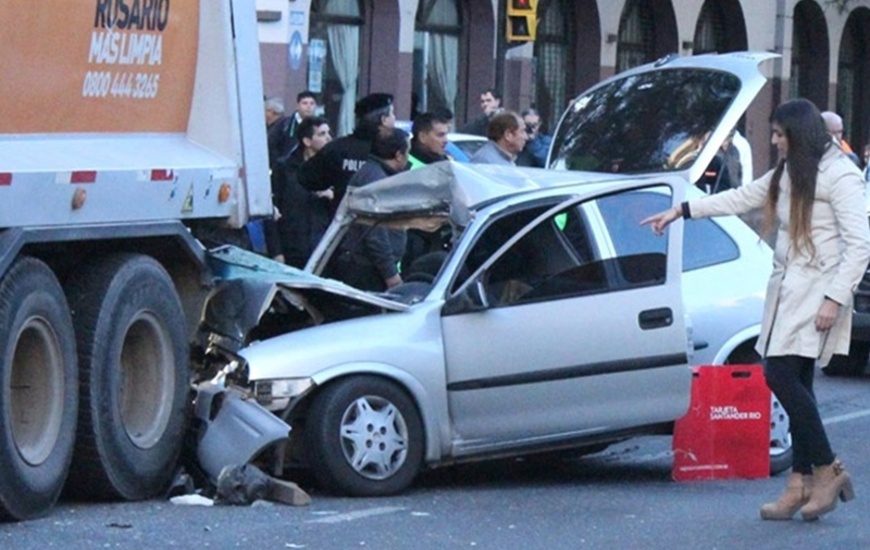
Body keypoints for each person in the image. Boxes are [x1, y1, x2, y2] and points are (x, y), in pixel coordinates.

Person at [642, 99, 870, 522]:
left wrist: (834, 299)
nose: (775, 141)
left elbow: (860, 246)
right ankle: (800, 483)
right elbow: (743, 197)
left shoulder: (841, 175)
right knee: (799, 381)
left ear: (798, 134)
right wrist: (683, 210)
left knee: (778, 374)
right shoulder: (790, 170)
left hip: (818, 290)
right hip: (788, 287)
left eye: (780, 134)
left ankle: (828, 468)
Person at [327, 128, 411, 291]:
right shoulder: (376, 180)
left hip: (369, 266)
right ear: (399, 155)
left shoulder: (377, 174)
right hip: (366, 269)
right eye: (407, 152)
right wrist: (390, 274)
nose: (408, 158)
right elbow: (375, 232)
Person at [297, 92, 396, 212]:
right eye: (392, 113)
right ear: (383, 120)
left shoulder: (338, 148)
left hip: (344, 219)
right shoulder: (393, 150)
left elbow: (306, 178)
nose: (394, 118)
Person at [269, 116, 334, 267]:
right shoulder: (284, 168)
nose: (329, 138)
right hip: (292, 247)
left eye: (328, 133)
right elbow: (271, 210)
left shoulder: (333, 168)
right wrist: (276, 252)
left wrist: (332, 196)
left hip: (323, 249)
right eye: (322, 134)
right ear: (307, 141)